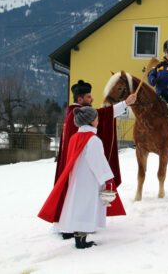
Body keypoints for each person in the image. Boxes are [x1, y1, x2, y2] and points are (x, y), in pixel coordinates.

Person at [54, 79, 136, 239]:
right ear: (80, 99)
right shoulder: (78, 117)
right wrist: (125, 103)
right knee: (83, 200)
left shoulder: (74, 115)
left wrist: (125, 104)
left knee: (75, 198)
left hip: (76, 171)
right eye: (89, 97)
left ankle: (70, 227)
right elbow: (102, 116)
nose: (92, 99)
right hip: (85, 173)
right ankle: (77, 230)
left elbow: (101, 115)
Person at [39, 107, 115, 249]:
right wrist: (105, 179)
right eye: (97, 118)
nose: (98, 121)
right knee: (86, 208)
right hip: (89, 180)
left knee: (78, 207)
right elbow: (97, 162)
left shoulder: (74, 137)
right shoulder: (93, 140)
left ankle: (79, 238)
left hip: (76, 179)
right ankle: (81, 240)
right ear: (92, 121)